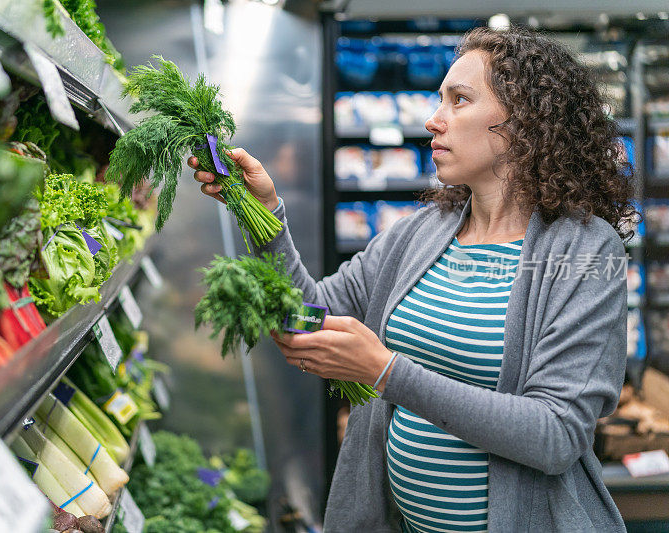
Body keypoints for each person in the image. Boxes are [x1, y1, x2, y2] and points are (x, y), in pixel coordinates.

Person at [189, 26, 637, 532]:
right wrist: (262, 214)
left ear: (523, 124)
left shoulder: (583, 250)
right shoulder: (421, 235)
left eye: (459, 100)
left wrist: (385, 372)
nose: (433, 120)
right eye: (438, 101)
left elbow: (556, 434)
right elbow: (310, 315)